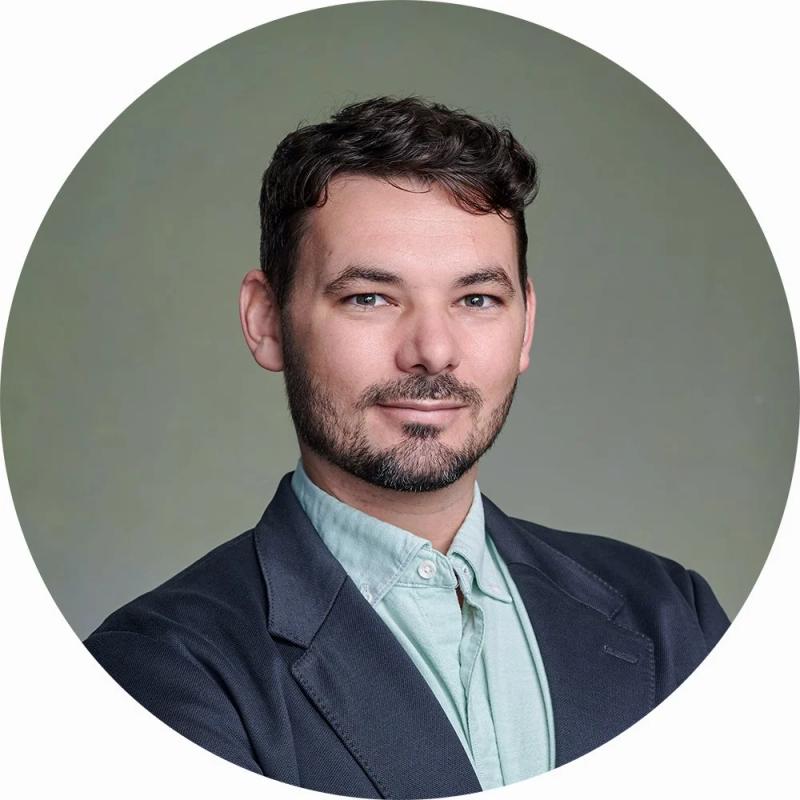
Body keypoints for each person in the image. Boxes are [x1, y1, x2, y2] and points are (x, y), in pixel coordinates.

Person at [84, 97, 729, 797]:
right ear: (266, 321)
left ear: (525, 324)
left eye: (476, 299)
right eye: (369, 297)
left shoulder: (670, 615)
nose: (433, 350)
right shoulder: (158, 669)